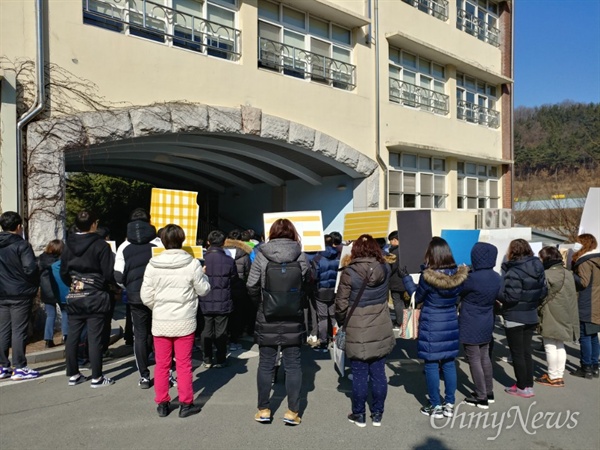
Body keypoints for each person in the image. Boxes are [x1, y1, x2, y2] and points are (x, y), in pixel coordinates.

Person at [141, 224, 211, 418]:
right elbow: (204, 290)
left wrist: (159, 308)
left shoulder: (153, 264)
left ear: (162, 241)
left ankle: (162, 403)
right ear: (182, 240)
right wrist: (203, 275)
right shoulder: (192, 264)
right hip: (184, 320)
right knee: (184, 364)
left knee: (162, 364)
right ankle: (186, 403)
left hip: (161, 320)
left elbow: (145, 296)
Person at [247, 218, 308, 426]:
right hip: (293, 315)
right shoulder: (300, 255)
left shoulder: (262, 255)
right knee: (293, 365)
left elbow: (252, 285)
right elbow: (308, 284)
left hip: (267, 315)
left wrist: (262, 303)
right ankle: (293, 412)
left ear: (272, 233)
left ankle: (264, 409)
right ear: (292, 233)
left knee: (265, 363)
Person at [401, 237, 468, 419]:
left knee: (431, 364)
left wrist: (406, 279)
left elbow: (418, 296)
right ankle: (449, 404)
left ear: (431, 254)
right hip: (450, 321)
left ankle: (435, 405)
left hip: (431, 322)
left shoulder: (428, 277)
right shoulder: (458, 275)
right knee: (448, 363)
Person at [335, 234, 394, 427]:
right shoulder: (385, 268)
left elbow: (341, 303)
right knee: (379, 372)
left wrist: (342, 321)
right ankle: (378, 413)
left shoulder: (349, 272)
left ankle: (359, 414)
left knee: (359, 373)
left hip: (357, 325)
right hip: (380, 322)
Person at [60, 211, 116, 388]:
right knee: (95, 337)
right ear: (94, 224)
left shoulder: (68, 245)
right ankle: (97, 377)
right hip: (96, 294)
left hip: (75, 292)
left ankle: (73, 373)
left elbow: (63, 272)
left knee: (73, 335)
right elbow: (108, 273)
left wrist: (75, 283)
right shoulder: (101, 245)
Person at [114, 208, 161, 389]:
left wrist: (129, 287)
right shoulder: (158, 244)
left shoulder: (123, 247)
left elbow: (118, 276)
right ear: (149, 223)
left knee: (139, 334)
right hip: (157, 296)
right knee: (160, 333)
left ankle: (144, 376)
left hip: (135, 296)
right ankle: (165, 373)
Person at [498, 239, 547, 398]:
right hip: (531, 314)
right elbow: (543, 291)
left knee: (518, 353)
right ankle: (528, 385)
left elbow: (511, 297)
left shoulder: (514, 270)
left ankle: (521, 386)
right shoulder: (538, 267)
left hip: (515, 314)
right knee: (526, 352)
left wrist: (498, 294)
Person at [459, 243, 502, 408]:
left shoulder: (472, 278)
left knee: (473, 358)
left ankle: (481, 395)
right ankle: (489, 391)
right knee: (485, 356)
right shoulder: (496, 277)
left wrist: (463, 271)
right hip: (487, 319)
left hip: (470, 321)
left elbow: (457, 290)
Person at [0, 211, 40, 380]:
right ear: (18, 227)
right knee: (19, 330)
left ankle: (3, 366)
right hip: (20, 293)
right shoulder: (22, 245)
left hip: (2, 292)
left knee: (2, 330)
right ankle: (20, 367)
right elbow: (30, 268)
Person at [534, 246, 579, 387]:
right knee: (560, 345)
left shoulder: (547, 274)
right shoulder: (568, 273)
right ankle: (559, 375)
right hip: (566, 312)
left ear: (546, 258)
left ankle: (553, 377)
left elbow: (540, 294)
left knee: (549, 345)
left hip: (550, 312)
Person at [199, 229, 237, 368]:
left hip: (204, 299)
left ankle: (207, 358)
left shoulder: (201, 259)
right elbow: (234, 279)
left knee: (206, 330)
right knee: (221, 331)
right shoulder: (229, 260)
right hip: (223, 299)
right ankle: (221, 358)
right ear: (223, 243)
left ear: (208, 242)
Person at [570, 233, 600, 379]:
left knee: (585, 336)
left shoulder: (585, 261)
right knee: (593, 335)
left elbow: (583, 282)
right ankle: (595, 366)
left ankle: (586, 367)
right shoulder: (596, 259)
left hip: (586, 302)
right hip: (596, 302)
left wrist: (571, 274)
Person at [223, 229, 253, 351]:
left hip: (224, 287)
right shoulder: (245, 254)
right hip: (239, 288)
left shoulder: (222, 252)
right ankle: (234, 340)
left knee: (224, 315)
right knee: (237, 315)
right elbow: (248, 273)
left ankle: (223, 339)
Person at [311, 234, 341, 352]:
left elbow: (314, 276)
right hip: (334, 290)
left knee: (322, 318)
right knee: (334, 317)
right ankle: (336, 341)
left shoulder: (317, 258)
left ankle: (323, 342)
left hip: (321, 291)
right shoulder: (338, 256)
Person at [38, 239, 66, 348]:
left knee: (50, 315)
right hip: (59, 289)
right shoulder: (61, 260)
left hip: (46, 290)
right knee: (65, 312)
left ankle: (48, 339)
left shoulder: (42, 259)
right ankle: (66, 336)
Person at [387, 231, 407, 331]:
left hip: (396, 280)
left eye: (391, 241)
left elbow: (392, 267)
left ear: (395, 240)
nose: (390, 243)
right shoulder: (406, 250)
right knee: (404, 302)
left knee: (397, 301)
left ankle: (400, 322)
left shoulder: (394, 252)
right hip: (406, 280)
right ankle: (406, 321)